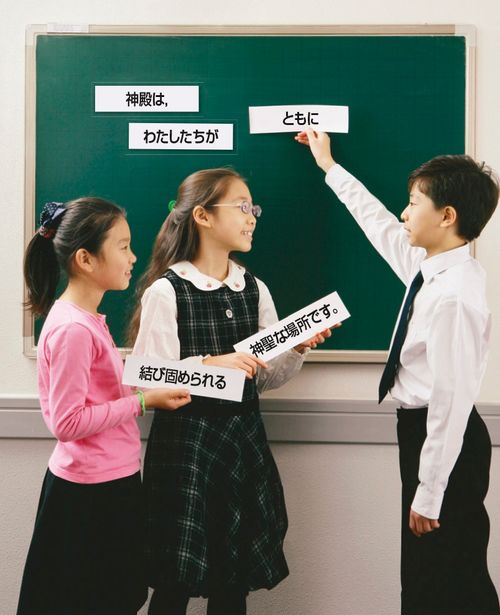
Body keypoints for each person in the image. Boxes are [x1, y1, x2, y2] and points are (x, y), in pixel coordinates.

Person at [296, 130, 500, 614]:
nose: (404, 213)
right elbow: (379, 224)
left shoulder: (454, 295)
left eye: (413, 203)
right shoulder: (431, 268)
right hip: (424, 434)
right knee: (433, 577)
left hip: (442, 440)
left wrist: (430, 492)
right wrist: (329, 166)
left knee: (449, 582)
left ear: (447, 217)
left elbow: (452, 400)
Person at [128, 168, 331, 614]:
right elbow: (147, 378)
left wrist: (293, 348)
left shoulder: (254, 288)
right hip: (187, 449)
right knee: (174, 580)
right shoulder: (168, 291)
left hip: (241, 443)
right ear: (202, 215)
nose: (252, 217)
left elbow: (264, 377)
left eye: (253, 207)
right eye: (241, 206)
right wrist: (209, 364)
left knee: (231, 579)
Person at [17, 198, 191, 615]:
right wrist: (143, 401)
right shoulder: (74, 329)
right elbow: (66, 421)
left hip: (110, 480)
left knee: (114, 597)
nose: (134, 257)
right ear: (86, 259)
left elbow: (98, 393)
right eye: (123, 246)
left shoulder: (88, 320)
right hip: (89, 494)